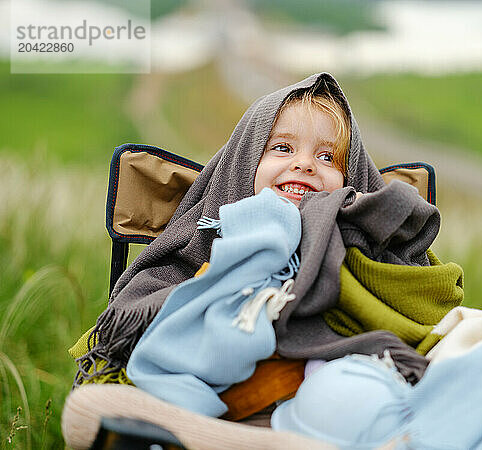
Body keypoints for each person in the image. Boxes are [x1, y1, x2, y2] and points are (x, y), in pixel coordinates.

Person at [67, 73, 450, 434]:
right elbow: (145, 307)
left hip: (332, 401)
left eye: (327, 157)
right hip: (224, 403)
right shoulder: (206, 244)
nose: (304, 164)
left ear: (351, 184)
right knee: (88, 412)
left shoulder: (360, 246)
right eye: (282, 148)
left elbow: (410, 319)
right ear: (245, 165)